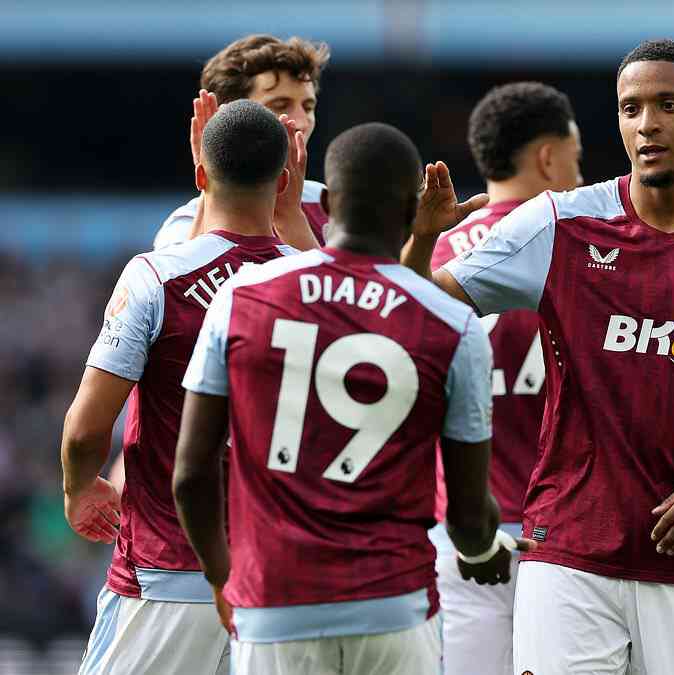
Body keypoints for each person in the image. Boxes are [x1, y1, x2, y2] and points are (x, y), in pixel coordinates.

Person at [404, 38, 674, 674]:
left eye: (668, 104)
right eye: (630, 108)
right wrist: (425, 237)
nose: (647, 123)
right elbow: (422, 308)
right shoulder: (558, 224)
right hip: (568, 556)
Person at [173, 122, 525, 675]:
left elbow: (191, 475)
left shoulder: (241, 298)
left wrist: (222, 576)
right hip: (395, 612)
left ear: (330, 201)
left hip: (274, 608)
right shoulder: (452, 325)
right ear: (413, 210)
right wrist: (484, 549)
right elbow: (465, 514)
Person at [62, 100, 297, 674]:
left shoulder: (157, 276)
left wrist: (78, 486)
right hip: (283, 584)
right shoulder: (312, 282)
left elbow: (86, 428)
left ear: (199, 176)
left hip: (169, 574)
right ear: (285, 181)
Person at [428, 81, 582, 675]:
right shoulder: (583, 244)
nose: (578, 169)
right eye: (575, 153)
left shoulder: (434, 251)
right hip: (565, 532)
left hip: (460, 528)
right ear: (547, 157)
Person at [155, 34, 331, 251]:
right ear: (229, 118)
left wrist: (290, 219)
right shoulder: (183, 227)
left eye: (308, 107)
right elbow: (184, 282)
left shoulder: (330, 207)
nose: (301, 122)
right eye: (280, 105)